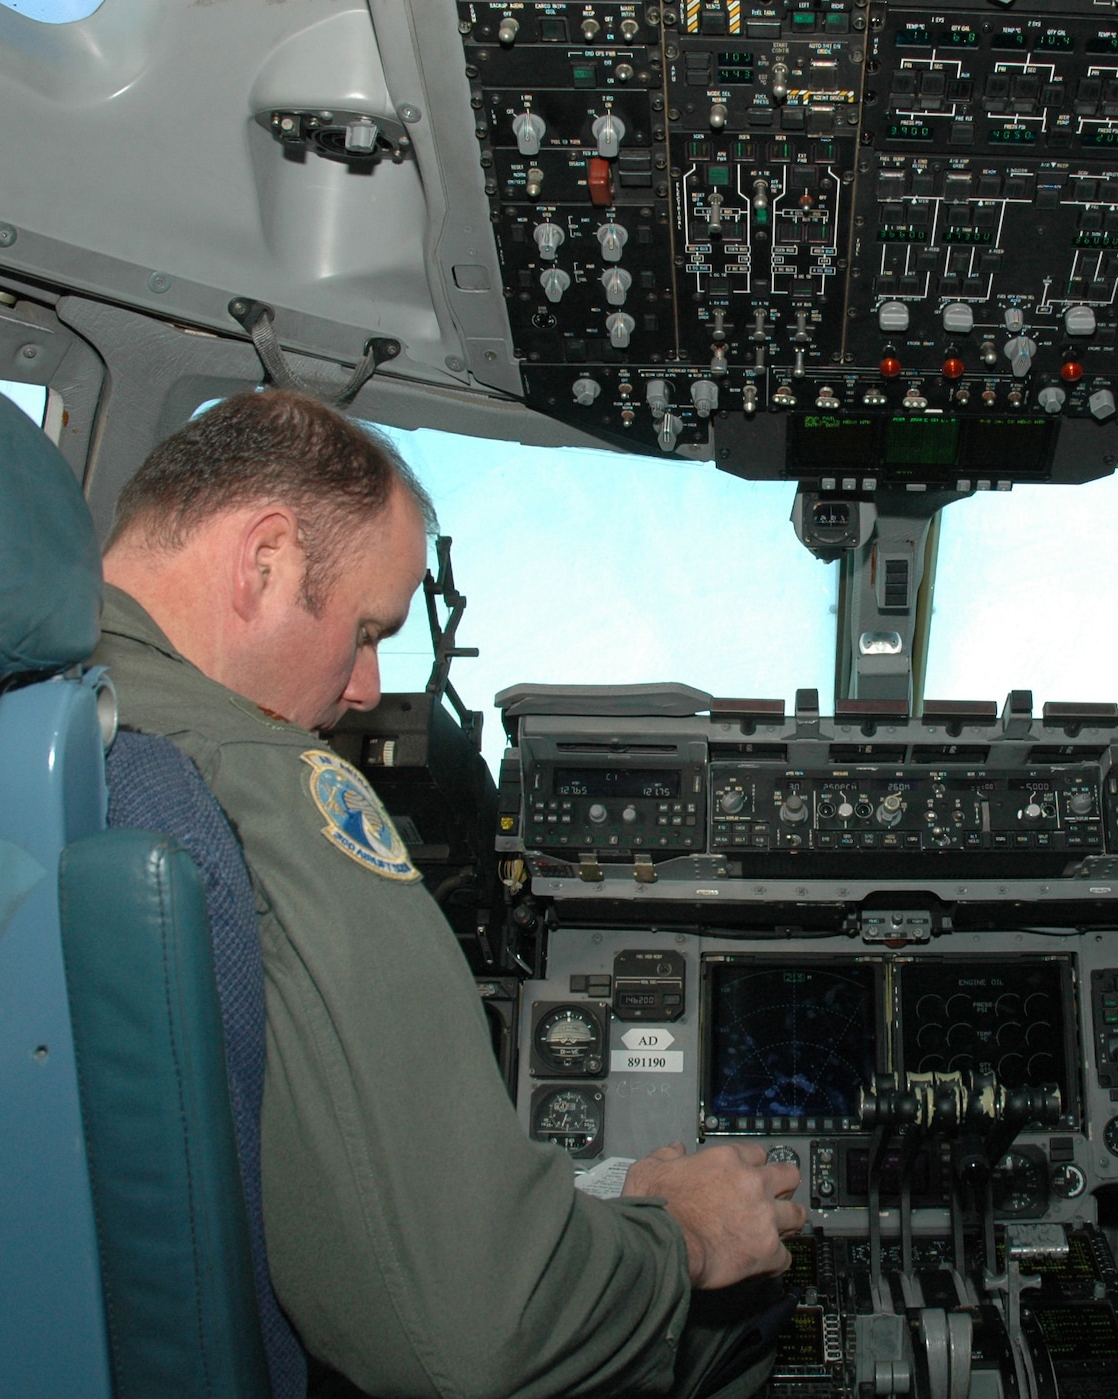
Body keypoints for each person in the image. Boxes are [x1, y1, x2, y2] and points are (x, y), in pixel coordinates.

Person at [93, 389, 803, 1398]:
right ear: (264, 561)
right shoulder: (263, 782)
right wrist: (681, 1236)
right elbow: (475, 1329)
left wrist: (609, 1194)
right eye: (366, 627)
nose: (366, 687)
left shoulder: (7, 726)